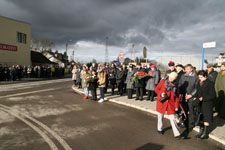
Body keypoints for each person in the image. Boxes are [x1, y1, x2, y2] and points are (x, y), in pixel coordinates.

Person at [155, 72, 181, 139]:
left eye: (173, 78)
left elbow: (177, 97)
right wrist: (161, 94)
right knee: (160, 117)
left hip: (170, 104)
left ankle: (177, 134)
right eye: (171, 77)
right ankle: (159, 129)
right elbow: (156, 89)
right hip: (162, 102)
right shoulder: (163, 81)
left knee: (173, 119)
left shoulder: (175, 86)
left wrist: (176, 106)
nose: (171, 79)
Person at [178, 64, 199, 137]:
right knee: (184, 110)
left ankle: (190, 125)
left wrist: (192, 95)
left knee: (191, 111)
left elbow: (197, 87)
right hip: (183, 96)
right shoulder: (183, 76)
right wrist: (180, 93)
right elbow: (180, 84)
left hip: (191, 97)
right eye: (185, 69)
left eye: (187, 69)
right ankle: (184, 122)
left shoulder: (195, 77)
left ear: (191, 69)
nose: (186, 70)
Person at [195, 70, 216, 139]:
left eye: (201, 77)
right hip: (200, 103)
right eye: (199, 77)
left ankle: (205, 133)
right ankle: (201, 131)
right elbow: (198, 91)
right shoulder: (199, 82)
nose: (200, 78)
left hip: (207, 104)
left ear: (205, 76)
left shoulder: (210, 83)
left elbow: (213, 95)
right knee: (201, 118)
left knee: (206, 118)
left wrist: (203, 98)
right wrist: (195, 97)